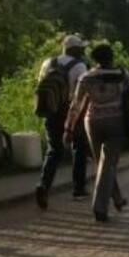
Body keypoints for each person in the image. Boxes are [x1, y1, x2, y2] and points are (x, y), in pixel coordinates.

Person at [65, 44, 129, 222]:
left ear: (95, 59)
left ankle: (117, 198)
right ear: (111, 57)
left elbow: (75, 105)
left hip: (93, 122)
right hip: (115, 121)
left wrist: (69, 127)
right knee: (109, 163)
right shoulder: (121, 75)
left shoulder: (86, 77)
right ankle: (100, 207)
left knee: (102, 163)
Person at [34, 35, 89, 209]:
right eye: (81, 48)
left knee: (54, 150)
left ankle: (43, 185)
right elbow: (83, 93)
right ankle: (79, 189)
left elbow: (40, 85)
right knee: (79, 148)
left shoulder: (48, 63)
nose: (83, 51)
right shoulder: (79, 66)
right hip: (71, 112)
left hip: (51, 112)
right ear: (75, 50)